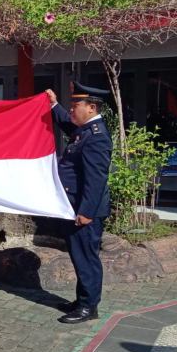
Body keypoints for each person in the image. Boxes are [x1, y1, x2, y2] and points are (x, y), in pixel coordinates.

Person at [45, 81, 112, 324]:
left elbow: (96, 180)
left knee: (86, 257)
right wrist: (54, 104)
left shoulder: (96, 138)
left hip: (85, 210)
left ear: (91, 107)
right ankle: (82, 299)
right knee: (79, 255)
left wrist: (86, 212)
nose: (71, 110)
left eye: (76, 105)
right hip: (75, 206)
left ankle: (89, 307)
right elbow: (67, 123)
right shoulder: (85, 130)